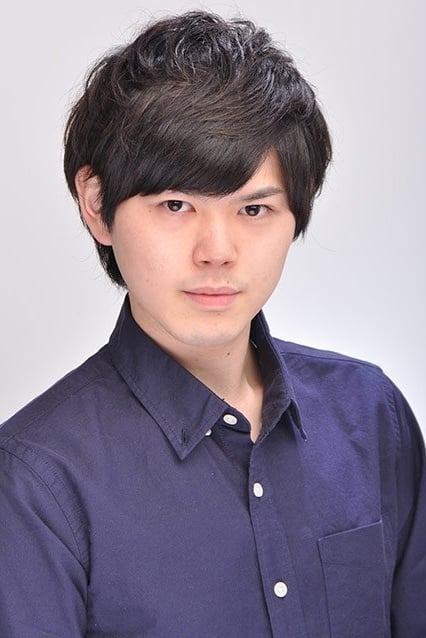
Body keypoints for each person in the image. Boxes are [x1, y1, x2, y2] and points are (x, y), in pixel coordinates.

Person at [0, 10, 424, 637]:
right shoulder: (36, 482)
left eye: (254, 209)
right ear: (97, 204)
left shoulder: (371, 415)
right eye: (176, 204)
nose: (217, 252)